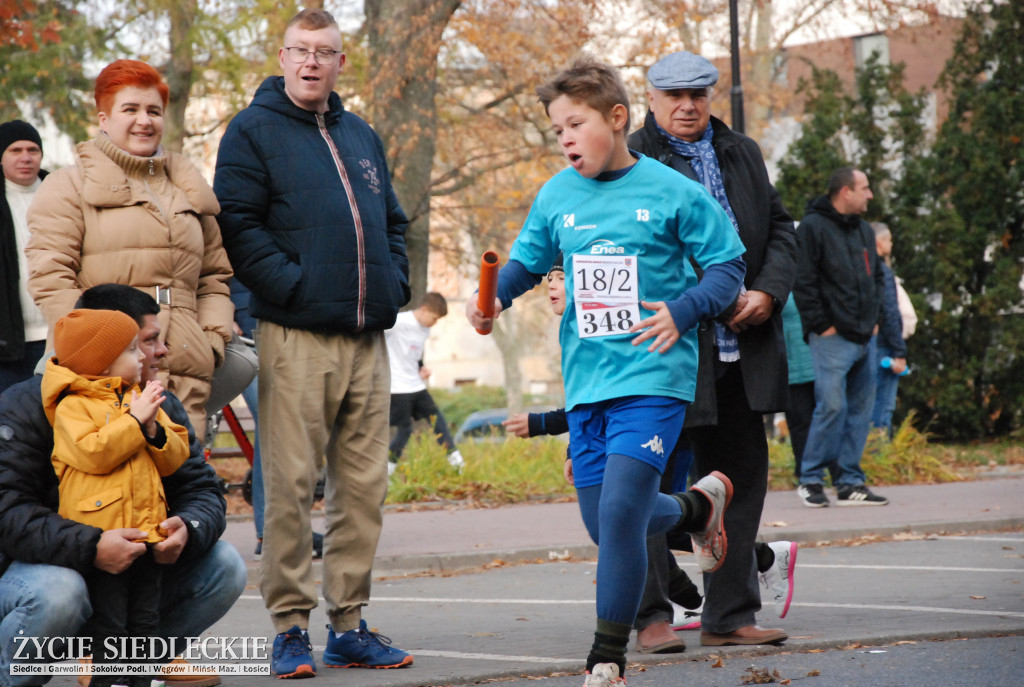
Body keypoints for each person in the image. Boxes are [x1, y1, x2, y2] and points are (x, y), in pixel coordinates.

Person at [467, 55, 744, 687]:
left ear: (617, 119)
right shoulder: (557, 195)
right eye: (555, 129)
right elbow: (524, 264)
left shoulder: (674, 192)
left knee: (620, 512)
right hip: (588, 384)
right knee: (606, 524)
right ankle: (696, 510)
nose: (563, 138)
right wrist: (492, 303)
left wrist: (683, 309)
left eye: (574, 124)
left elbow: (728, 268)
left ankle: (606, 657)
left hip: (654, 378)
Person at [213, 7, 413, 678]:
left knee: (363, 490)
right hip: (295, 334)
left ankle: (350, 624)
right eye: (300, 50)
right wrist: (291, 288)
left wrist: (394, 285)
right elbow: (237, 226)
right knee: (291, 486)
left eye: (323, 52)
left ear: (339, 61)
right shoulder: (252, 130)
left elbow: (393, 221)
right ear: (282, 55)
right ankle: (291, 627)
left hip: (366, 337)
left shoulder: (361, 135)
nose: (310, 62)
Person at [628, 50, 798, 648]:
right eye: (674, 95)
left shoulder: (741, 152)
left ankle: (728, 618)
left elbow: (780, 229)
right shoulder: (632, 157)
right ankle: (650, 617)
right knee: (644, 488)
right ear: (650, 98)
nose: (687, 105)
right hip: (666, 351)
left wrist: (770, 292)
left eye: (698, 94)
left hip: (742, 350)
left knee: (741, 483)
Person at [0, 283, 246, 687]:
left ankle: (133, 670)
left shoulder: (158, 401)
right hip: (44, 570)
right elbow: (8, 512)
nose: (162, 352)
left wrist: (187, 526)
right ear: (102, 354)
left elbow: (200, 486)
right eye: (145, 342)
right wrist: (91, 546)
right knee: (59, 593)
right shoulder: (28, 406)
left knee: (225, 566)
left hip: (139, 554)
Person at [25, 59, 234, 434]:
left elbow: (214, 276)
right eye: (130, 109)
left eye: (154, 110)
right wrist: (99, 348)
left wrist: (212, 339)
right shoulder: (67, 186)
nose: (144, 120)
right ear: (103, 119)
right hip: (102, 374)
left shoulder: (189, 190)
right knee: (110, 483)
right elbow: (51, 278)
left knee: (184, 483)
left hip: (186, 367)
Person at [43, 309, 190, 687]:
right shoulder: (73, 405)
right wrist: (135, 422)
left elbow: (176, 459)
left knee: (145, 622)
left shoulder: (138, 397)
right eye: (129, 349)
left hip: (145, 532)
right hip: (103, 536)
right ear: (100, 360)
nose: (142, 355)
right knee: (108, 627)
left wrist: (156, 430)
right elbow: (93, 454)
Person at [793, 168, 889, 507]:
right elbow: (802, 280)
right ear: (845, 191)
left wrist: (875, 319)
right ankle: (810, 480)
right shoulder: (813, 228)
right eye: (865, 188)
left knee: (860, 411)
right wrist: (821, 325)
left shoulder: (863, 230)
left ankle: (850, 482)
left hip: (865, 336)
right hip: (832, 337)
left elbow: (877, 278)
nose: (870, 195)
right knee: (832, 406)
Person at [385, 292, 463, 475]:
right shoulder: (397, 322)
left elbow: (414, 353)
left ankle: (458, 464)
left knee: (437, 420)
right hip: (397, 388)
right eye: (434, 318)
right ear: (424, 309)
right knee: (405, 430)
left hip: (416, 385)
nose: (434, 324)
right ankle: (386, 474)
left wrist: (421, 367)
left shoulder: (424, 330)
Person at [0, 120, 48, 394]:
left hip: (57, 336)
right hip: (8, 344)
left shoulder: (61, 191)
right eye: (15, 150)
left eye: (32, 149)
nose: (26, 157)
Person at [869, 222, 910, 438]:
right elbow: (890, 313)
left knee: (866, 406)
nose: (892, 244)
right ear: (879, 242)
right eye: (889, 239)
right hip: (884, 347)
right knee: (882, 408)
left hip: (865, 345)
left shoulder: (860, 269)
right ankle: (878, 455)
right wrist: (899, 352)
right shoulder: (882, 273)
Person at [782, 297, 815, 480]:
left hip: (819, 363)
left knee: (828, 418)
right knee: (799, 423)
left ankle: (835, 471)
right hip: (792, 367)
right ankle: (804, 473)